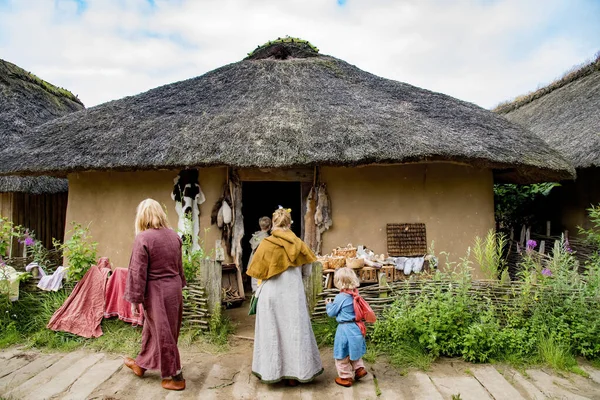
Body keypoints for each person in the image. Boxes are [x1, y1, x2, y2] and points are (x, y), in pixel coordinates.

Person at [247, 207, 323, 386]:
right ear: (289, 223)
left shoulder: (265, 244)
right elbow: (307, 271)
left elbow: (257, 272)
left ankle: (272, 372)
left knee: (273, 334)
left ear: (273, 223)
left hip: (270, 296)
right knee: (294, 333)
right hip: (292, 294)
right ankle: (294, 376)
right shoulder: (298, 243)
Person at [123, 198, 187, 391]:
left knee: (163, 332)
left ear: (142, 216)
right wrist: (180, 285)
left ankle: (174, 376)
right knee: (154, 329)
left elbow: (137, 271)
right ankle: (142, 364)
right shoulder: (174, 235)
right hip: (173, 288)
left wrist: (134, 299)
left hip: (156, 291)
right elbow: (179, 266)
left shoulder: (143, 238)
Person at [325, 267, 373, 387]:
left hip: (345, 329)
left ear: (339, 282)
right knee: (354, 350)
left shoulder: (340, 297)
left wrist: (329, 305)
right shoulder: (355, 294)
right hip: (356, 327)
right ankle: (359, 369)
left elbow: (332, 313)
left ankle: (345, 377)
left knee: (342, 353)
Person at [248, 216, 272, 293]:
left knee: (254, 279)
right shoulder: (267, 238)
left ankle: (255, 294)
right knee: (261, 281)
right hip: (261, 259)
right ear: (270, 227)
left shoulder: (256, 236)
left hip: (253, 258)